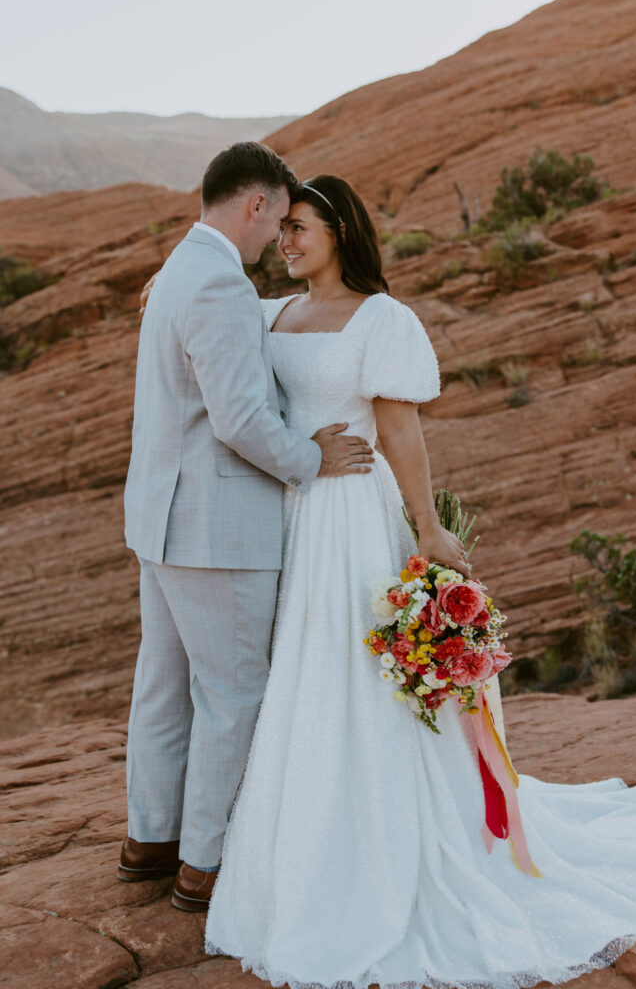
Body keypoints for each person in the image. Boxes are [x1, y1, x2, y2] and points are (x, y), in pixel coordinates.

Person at [199, 175, 636, 989]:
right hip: (288, 515)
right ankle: (304, 847)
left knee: (357, 673)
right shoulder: (267, 314)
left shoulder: (382, 320)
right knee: (301, 678)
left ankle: (394, 848)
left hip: (353, 518)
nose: (286, 242)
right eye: (280, 230)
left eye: (301, 228)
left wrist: (427, 529)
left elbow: (398, 431)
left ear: (342, 232)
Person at [119, 144, 382, 913]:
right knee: (233, 692)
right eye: (277, 221)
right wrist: (310, 459)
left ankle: (150, 841)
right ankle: (205, 862)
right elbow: (238, 418)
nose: (277, 241)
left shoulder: (177, 272)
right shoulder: (220, 285)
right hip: (218, 528)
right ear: (256, 205)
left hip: (160, 522)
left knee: (163, 689)